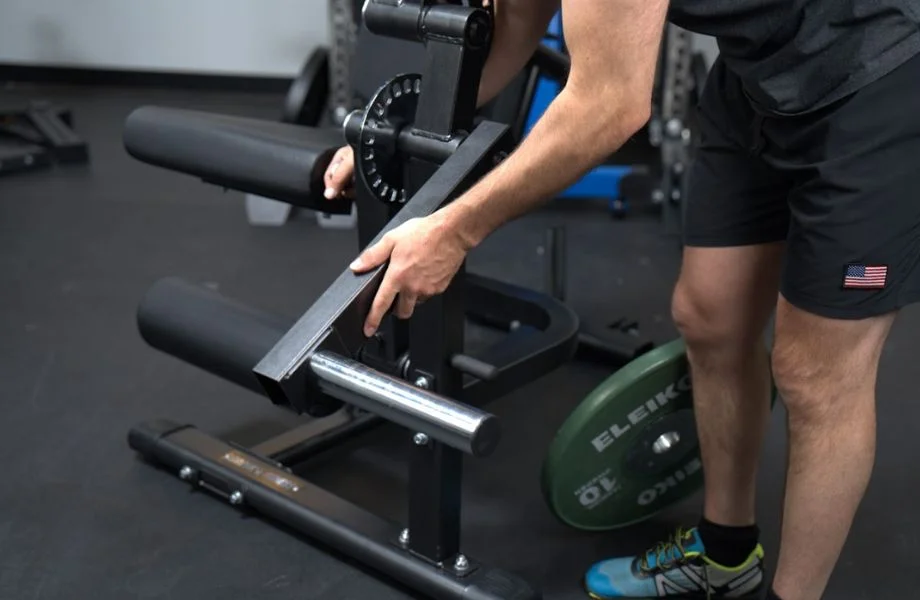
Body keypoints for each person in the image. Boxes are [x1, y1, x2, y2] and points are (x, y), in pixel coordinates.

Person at [322, 0, 920, 598]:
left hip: (878, 77)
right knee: (709, 317)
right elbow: (517, 24)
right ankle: (727, 557)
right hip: (758, 80)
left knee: (815, 376)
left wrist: (454, 231)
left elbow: (609, 105)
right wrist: (394, 135)